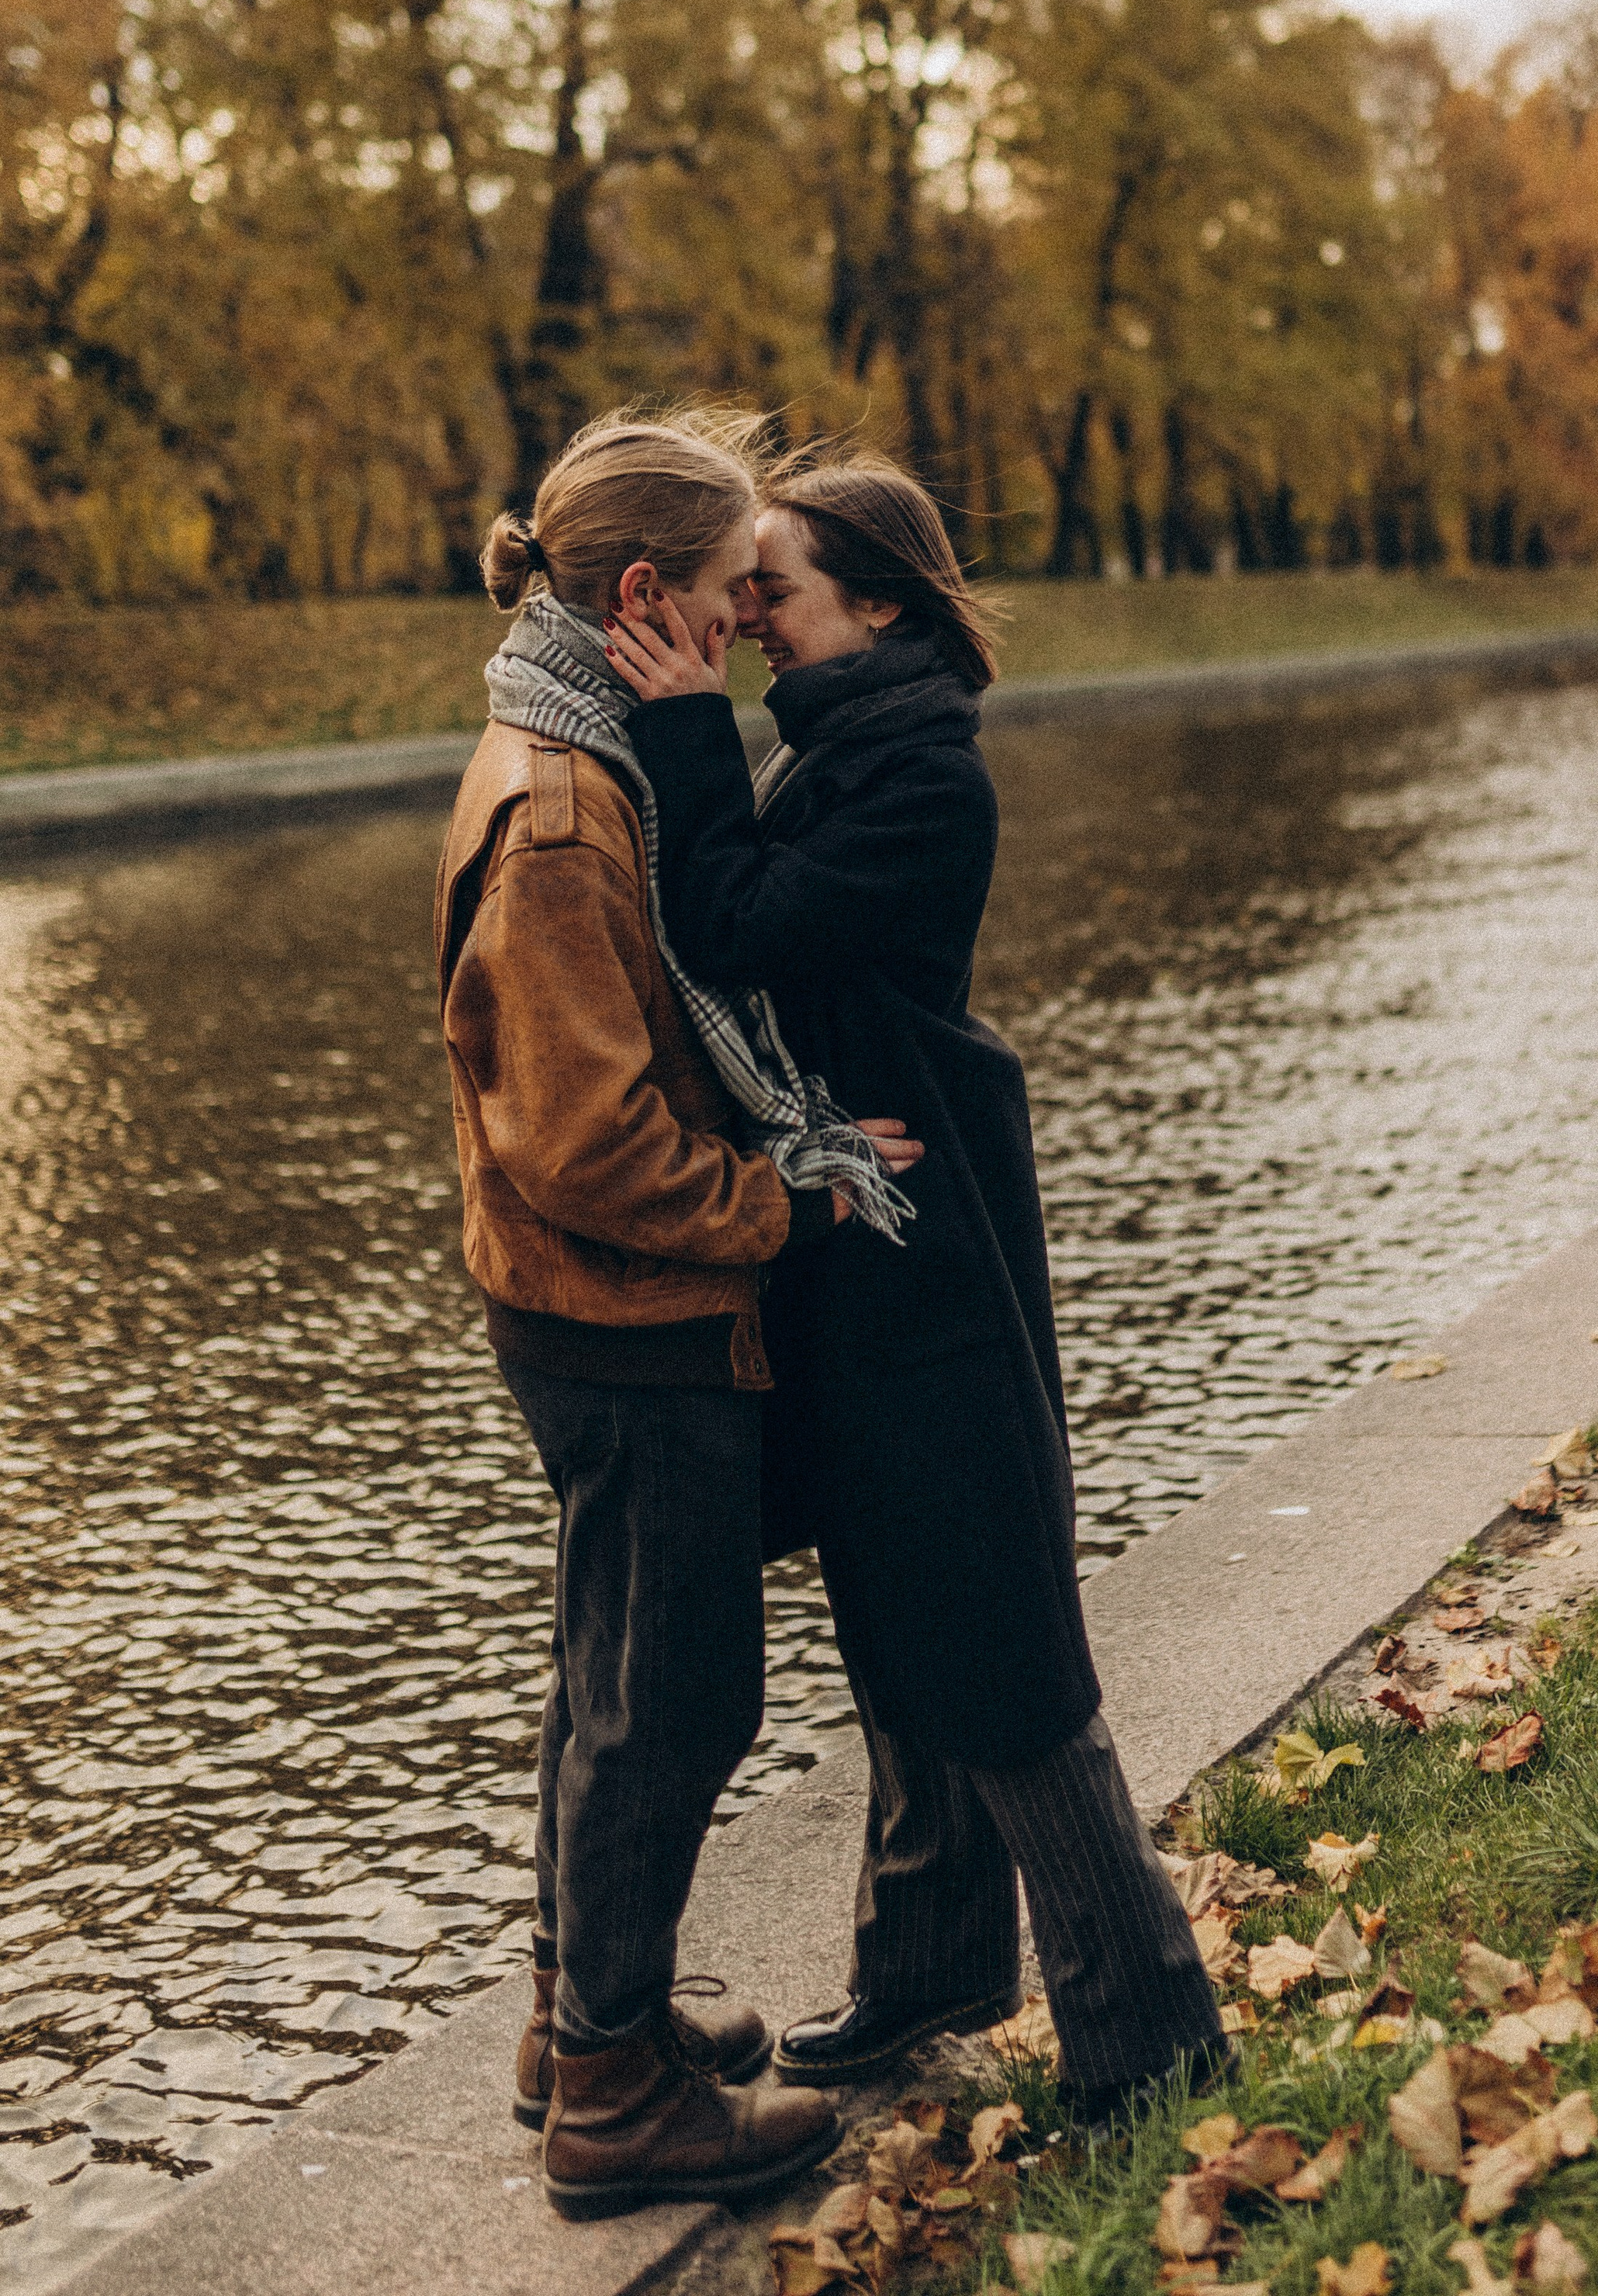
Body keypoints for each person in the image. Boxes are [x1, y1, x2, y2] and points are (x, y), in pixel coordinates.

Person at [601, 451, 1226, 2124]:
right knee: (896, 1603)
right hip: (861, 1229)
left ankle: (1151, 2036)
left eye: (774, 590)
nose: (743, 619)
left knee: (996, 1634)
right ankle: (932, 1967)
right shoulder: (842, 749)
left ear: (875, 604)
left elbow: (730, 922)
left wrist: (674, 725)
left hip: (922, 1239)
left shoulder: (923, 781)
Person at [434, 407, 923, 2219]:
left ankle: (583, 2013)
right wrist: (776, 1199)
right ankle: (616, 2101)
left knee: (607, 1673)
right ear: (642, 590)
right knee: (675, 1699)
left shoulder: (559, 742)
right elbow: (585, 1140)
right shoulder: (567, 814)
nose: (740, 621)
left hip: (580, 1312)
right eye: (726, 591)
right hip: (629, 1317)